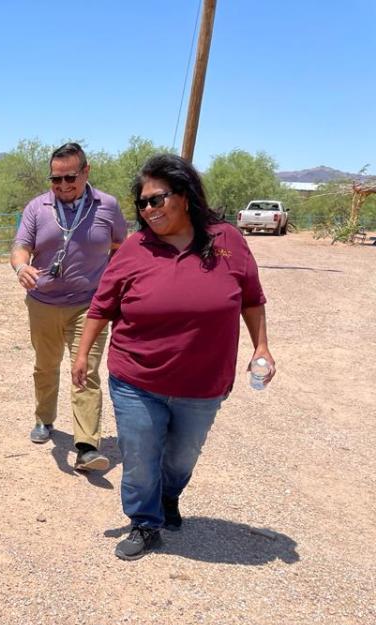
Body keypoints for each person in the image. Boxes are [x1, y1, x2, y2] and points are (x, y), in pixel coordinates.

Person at [71, 153, 275, 560]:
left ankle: (168, 497)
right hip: (136, 378)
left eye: (157, 199)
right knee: (141, 455)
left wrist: (262, 346)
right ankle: (145, 522)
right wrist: (81, 356)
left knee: (182, 457)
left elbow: (251, 299)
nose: (148, 210)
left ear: (184, 195)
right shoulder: (134, 248)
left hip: (202, 383)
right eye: (142, 204)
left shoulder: (227, 240)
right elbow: (102, 306)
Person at [10, 142, 128, 471]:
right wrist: (21, 268)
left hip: (88, 306)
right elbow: (20, 247)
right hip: (42, 303)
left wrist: (111, 280)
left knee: (85, 371)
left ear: (86, 172)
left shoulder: (107, 206)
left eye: (70, 178)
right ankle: (44, 419)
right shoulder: (37, 207)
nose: (62, 186)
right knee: (45, 366)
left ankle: (87, 445)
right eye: (55, 179)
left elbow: (122, 246)